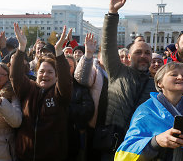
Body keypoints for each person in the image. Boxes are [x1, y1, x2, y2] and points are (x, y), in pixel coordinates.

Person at [100, 0, 156, 158]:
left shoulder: (157, 83)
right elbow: (108, 43)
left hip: (140, 145)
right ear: (129, 55)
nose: (144, 56)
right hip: (112, 140)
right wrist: (112, 13)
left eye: (147, 53)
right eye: (138, 52)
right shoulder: (117, 71)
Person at [10, 23, 72, 161]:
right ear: (36, 73)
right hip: (24, 156)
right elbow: (15, 76)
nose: (45, 75)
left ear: (56, 76)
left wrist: (59, 52)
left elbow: (66, 82)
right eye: (42, 71)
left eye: (50, 72)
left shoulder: (60, 94)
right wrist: (21, 48)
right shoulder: (28, 88)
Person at [115, 62, 183, 160]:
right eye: (174, 74)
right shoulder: (146, 110)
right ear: (159, 83)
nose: (180, 77)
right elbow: (124, 155)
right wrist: (156, 142)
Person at [74, 34, 109, 160]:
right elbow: (82, 79)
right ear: (99, 57)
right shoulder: (95, 69)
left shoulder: (118, 73)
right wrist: (88, 54)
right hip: (95, 126)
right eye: (105, 54)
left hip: (113, 126)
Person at [65, 54, 94, 161]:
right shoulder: (51, 83)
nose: (66, 69)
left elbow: (88, 110)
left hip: (74, 136)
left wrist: (67, 109)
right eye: (63, 65)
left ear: (74, 68)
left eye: (69, 66)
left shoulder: (80, 87)